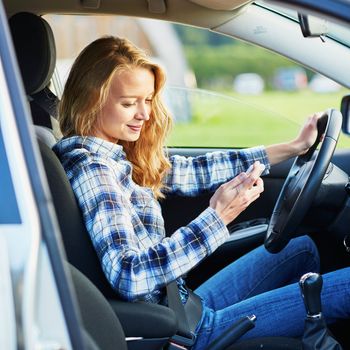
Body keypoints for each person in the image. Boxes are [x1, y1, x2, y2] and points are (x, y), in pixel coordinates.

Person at [53, 36, 350, 349]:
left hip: (182, 305)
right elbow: (131, 275)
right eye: (129, 103)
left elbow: (189, 171)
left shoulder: (115, 155)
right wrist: (217, 217)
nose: (145, 114)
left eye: (148, 100)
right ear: (91, 100)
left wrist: (292, 148)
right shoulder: (93, 168)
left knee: (302, 249)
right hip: (185, 333)